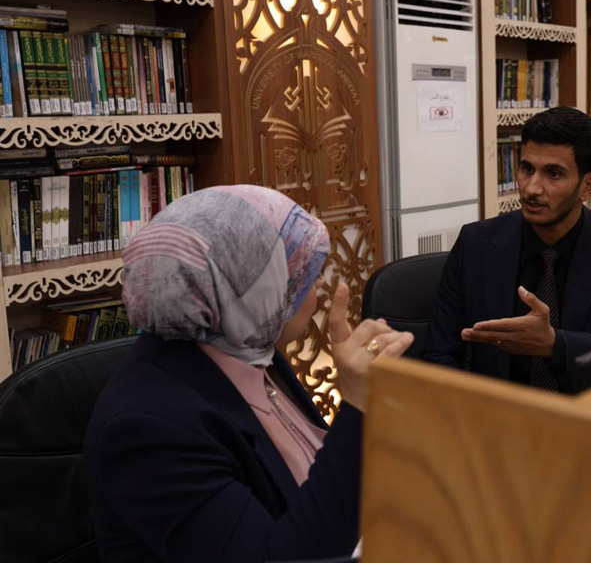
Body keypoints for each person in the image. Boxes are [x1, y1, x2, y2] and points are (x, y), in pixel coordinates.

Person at [83, 185, 413, 562]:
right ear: (245, 290)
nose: (319, 283)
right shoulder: (148, 431)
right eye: (301, 272)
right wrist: (357, 406)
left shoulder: (248, 350)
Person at [423, 106, 591, 393]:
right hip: (493, 410)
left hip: (581, 412)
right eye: (527, 169)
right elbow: (437, 355)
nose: (532, 188)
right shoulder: (475, 243)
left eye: (553, 174)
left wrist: (555, 345)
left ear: (588, 186)